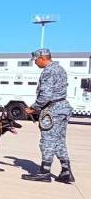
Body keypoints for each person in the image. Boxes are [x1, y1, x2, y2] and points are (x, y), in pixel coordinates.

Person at [22, 48, 74, 183]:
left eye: (36, 60)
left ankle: (44, 173)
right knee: (59, 141)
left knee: (47, 141)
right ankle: (66, 171)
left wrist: (33, 108)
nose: (35, 63)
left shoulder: (49, 71)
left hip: (52, 110)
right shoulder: (60, 69)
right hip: (62, 108)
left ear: (43, 58)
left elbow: (46, 95)